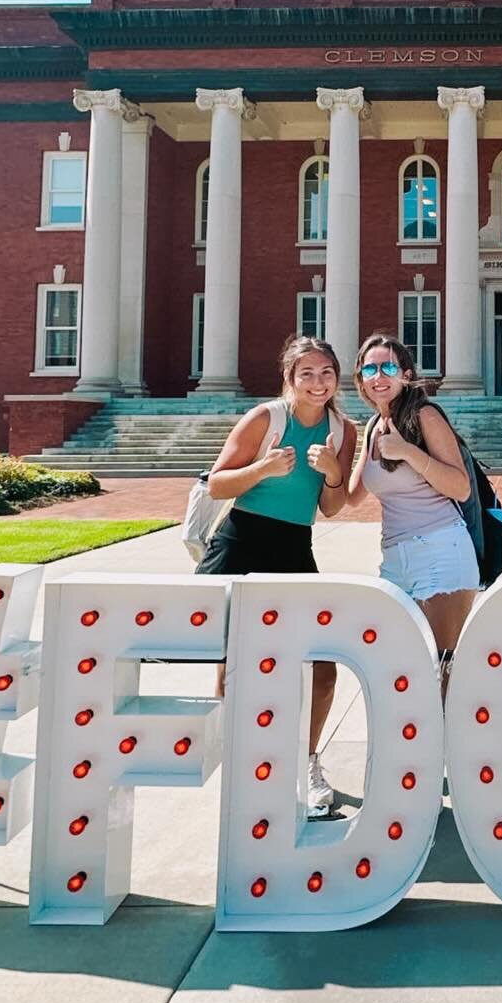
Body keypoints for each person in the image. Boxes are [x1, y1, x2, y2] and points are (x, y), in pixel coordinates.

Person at [199, 334, 357, 815]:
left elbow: (331, 506)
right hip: (243, 540)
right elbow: (217, 482)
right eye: (306, 373)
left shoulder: (343, 430)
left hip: (293, 546)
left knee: (322, 668)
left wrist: (332, 472)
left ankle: (306, 761)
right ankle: (241, 760)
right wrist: (263, 468)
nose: (317, 382)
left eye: (326, 373)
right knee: (235, 661)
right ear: (289, 378)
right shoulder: (266, 419)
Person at [345, 333, 478, 674]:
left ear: (405, 374)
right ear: (360, 378)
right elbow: (353, 496)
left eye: (388, 366)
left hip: (440, 550)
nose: (379, 376)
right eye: (370, 369)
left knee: (441, 674)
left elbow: (461, 488)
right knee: (398, 670)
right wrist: (332, 463)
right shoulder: (374, 426)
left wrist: (408, 452)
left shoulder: (425, 415)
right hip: (394, 559)